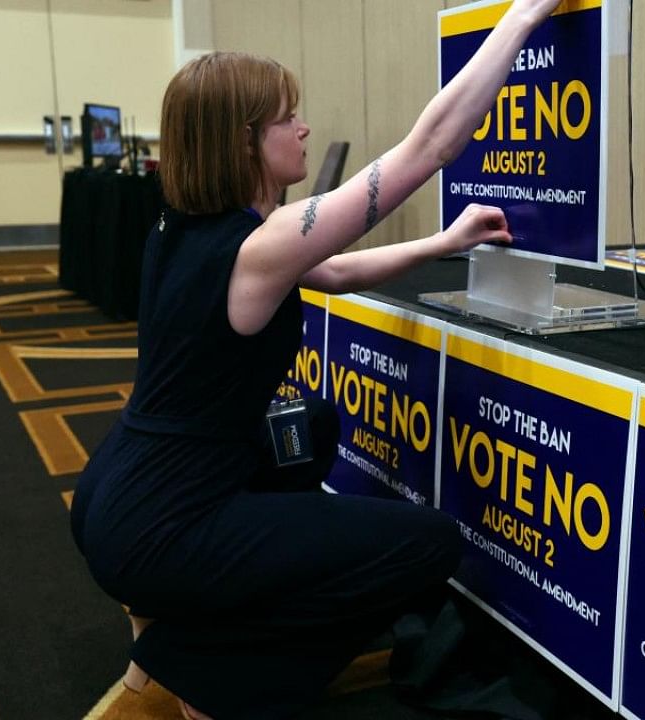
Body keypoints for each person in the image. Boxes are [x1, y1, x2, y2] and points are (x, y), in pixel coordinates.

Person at [68, 1, 564, 717]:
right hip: (163, 525)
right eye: (285, 118)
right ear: (244, 142)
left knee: (316, 425)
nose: (303, 127)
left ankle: (171, 619)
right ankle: (206, 675)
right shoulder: (259, 246)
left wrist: (441, 244)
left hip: (115, 495)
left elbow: (332, 272)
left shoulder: (187, 227)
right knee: (428, 545)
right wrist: (523, 16)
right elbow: (430, 147)